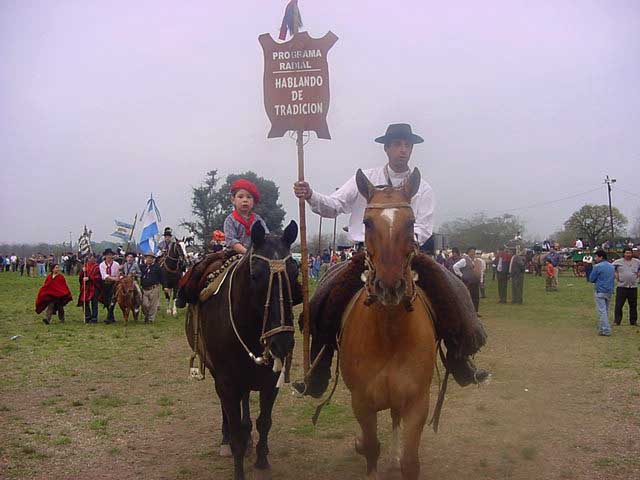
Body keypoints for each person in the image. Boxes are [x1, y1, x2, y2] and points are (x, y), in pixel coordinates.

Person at [293, 122, 488, 392]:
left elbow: (423, 227)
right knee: (326, 297)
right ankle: (321, 363)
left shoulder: (423, 188)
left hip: (410, 255)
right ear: (386, 148)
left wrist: (399, 243)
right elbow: (335, 205)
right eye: (397, 144)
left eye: (407, 145)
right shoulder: (365, 179)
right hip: (367, 255)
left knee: (452, 291)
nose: (403, 149)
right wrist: (311, 195)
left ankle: (459, 357)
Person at [223, 179, 269, 254]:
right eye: (240, 197)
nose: (245, 200)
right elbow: (231, 240)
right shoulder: (230, 220)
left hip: (256, 254)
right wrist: (247, 252)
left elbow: (266, 236)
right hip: (235, 254)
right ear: (233, 200)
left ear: (253, 201)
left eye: (249, 197)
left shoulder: (258, 220)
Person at [588, 250, 615, 336]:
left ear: (601, 257)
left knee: (601, 311)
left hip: (600, 290)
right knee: (605, 310)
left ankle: (606, 329)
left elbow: (591, 279)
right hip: (609, 290)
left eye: (596, 257)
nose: (595, 258)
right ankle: (602, 328)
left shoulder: (597, 266)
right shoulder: (612, 266)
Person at [612, 247, 640, 326]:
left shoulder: (637, 262)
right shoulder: (618, 262)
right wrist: (616, 274)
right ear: (624, 254)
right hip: (621, 286)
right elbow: (611, 268)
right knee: (619, 305)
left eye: (630, 253)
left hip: (633, 286)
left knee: (633, 305)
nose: (628, 255)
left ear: (632, 254)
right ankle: (617, 321)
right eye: (626, 253)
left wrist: (638, 274)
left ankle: (633, 321)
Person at [453, 247, 482, 314]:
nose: (473, 253)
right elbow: (455, 267)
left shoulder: (476, 261)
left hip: (475, 281)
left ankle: (476, 311)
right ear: (468, 252)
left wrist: (480, 280)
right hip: (468, 281)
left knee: (476, 296)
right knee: (469, 296)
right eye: (472, 251)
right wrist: (461, 275)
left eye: (474, 251)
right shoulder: (464, 260)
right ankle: (469, 311)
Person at [140, 252, 166, 323]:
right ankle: (146, 315)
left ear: (153, 259)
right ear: (145, 258)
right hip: (144, 288)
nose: (149, 259)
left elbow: (162, 277)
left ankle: (151, 319)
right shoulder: (142, 267)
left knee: (153, 305)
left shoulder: (157, 267)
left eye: (151, 258)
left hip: (154, 288)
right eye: (148, 258)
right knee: (144, 304)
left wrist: (165, 286)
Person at [78, 253, 102, 323]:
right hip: (86, 287)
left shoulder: (97, 267)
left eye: (93, 257)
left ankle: (94, 317)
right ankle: (87, 316)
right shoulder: (85, 266)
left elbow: (98, 277)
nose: (91, 259)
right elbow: (81, 277)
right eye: (89, 257)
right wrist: (83, 272)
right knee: (84, 301)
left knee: (94, 302)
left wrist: (89, 278)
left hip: (94, 286)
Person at [99, 248, 120, 324]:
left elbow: (118, 274)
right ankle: (111, 316)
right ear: (105, 256)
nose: (109, 256)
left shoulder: (116, 264)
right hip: (105, 284)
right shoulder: (102, 265)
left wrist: (118, 274)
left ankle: (109, 317)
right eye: (107, 255)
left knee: (113, 299)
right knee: (107, 300)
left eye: (110, 255)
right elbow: (104, 275)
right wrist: (114, 278)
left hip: (114, 285)